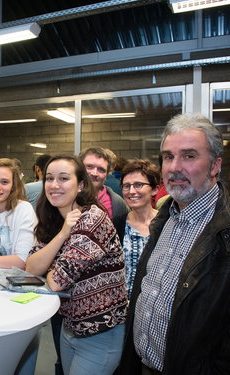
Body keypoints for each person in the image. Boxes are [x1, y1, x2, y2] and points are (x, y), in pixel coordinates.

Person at [118, 113, 229, 374]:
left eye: (189, 156)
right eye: (168, 157)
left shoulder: (224, 229)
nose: (174, 167)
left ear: (214, 165)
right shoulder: (165, 216)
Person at [26, 155, 127, 375]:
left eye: (63, 178)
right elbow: (31, 268)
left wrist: (49, 267)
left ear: (80, 185)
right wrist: (62, 234)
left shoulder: (92, 219)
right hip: (70, 327)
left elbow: (55, 282)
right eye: (49, 178)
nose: (54, 185)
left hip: (100, 332)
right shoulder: (54, 219)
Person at [120, 159, 160, 297]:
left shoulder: (167, 225)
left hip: (155, 309)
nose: (131, 191)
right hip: (122, 309)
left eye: (138, 185)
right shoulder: (116, 225)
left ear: (155, 189)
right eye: (126, 186)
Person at [79, 147, 128, 242]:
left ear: (107, 174)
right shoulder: (65, 197)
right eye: (89, 166)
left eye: (101, 169)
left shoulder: (118, 204)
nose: (94, 173)